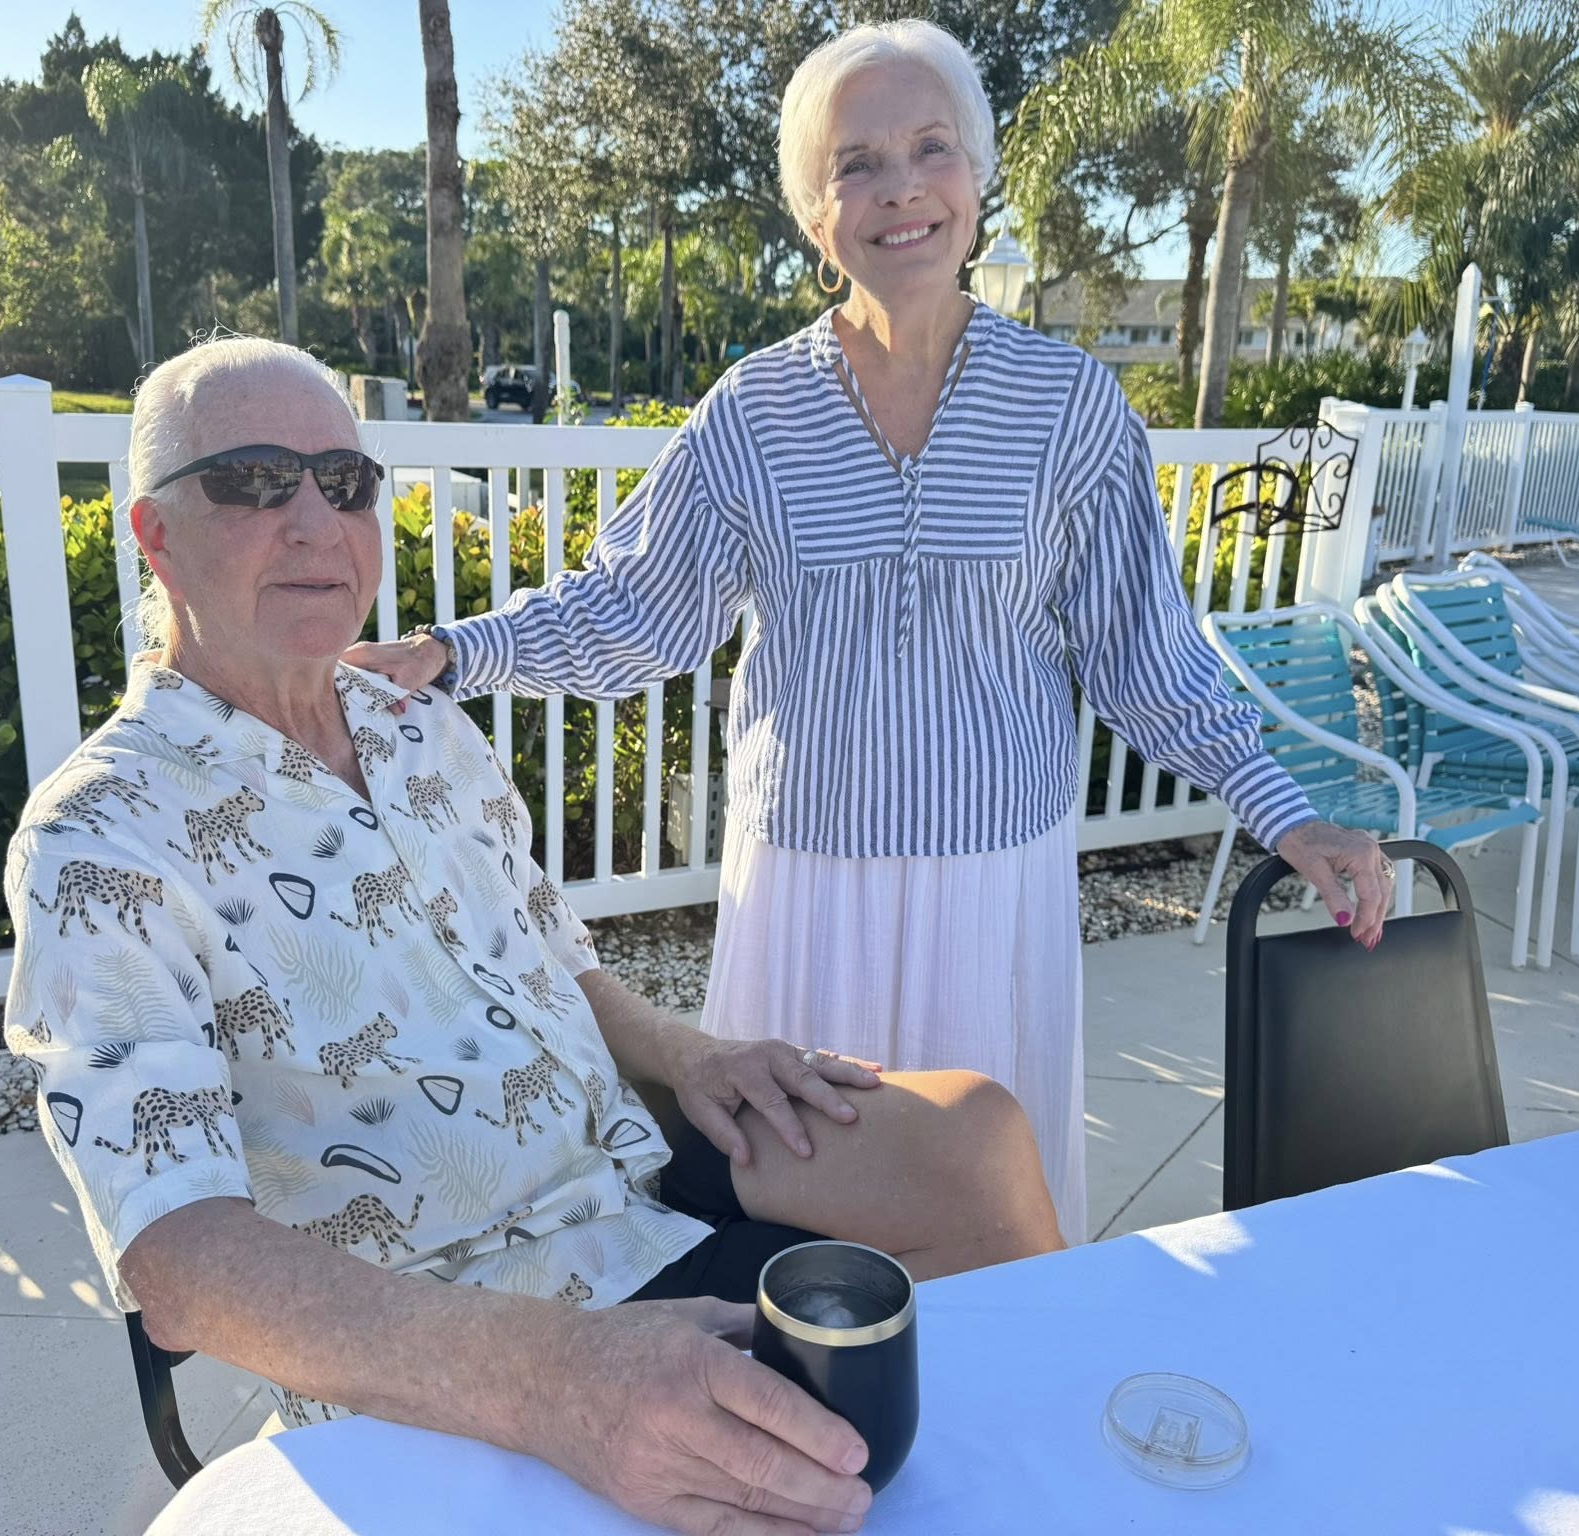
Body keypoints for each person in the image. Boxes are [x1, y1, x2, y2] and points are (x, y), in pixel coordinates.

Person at [348, 19, 1392, 1244]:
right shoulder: (753, 411)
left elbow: (1144, 658)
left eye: (930, 147)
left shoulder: (1067, 406)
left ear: (977, 176)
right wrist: (457, 651)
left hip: (992, 884)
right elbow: (635, 606)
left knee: (986, 1214)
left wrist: (1288, 814)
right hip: (805, 887)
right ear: (812, 212)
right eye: (855, 163)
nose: (900, 188)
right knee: (802, 1213)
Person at [3, 334, 1063, 1536]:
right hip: (465, 1318)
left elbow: (557, 963)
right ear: (154, 534)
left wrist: (696, 1057)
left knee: (973, 1140)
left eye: (344, 483)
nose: (313, 523)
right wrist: (558, 1376)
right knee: (850, 1448)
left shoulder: (415, 726)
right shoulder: (102, 840)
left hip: (630, 1177)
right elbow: (177, 1258)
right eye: (252, 482)